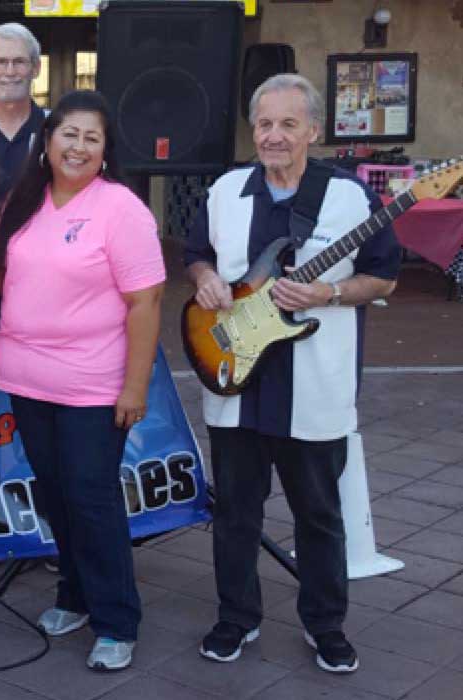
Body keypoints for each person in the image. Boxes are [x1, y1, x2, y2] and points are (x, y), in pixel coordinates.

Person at [184, 74, 400, 674]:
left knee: (320, 515)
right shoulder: (226, 190)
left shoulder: (352, 198)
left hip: (316, 385)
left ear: (313, 129)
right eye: (263, 124)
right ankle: (236, 618)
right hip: (235, 379)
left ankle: (326, 625)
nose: (273, 136)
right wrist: (204, 277)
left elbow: (383, 276)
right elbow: (196, 253)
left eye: (287, 123)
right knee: (235, 514)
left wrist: (329, 291)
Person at [0, 90, 164, 672]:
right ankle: (75, 594)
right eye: (70, 134)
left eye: (93, 138)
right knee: (55, 492)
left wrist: (134, 388)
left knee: (92, 499)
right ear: (48, 140)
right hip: (26, 377)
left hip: (93, 384)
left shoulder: (122, 209)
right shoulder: (24, 199)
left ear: (105, 152)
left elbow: (146, 304)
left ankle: (117, 619)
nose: (79, 147)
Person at [0, 22, 46, 204]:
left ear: (36, 68)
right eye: (1, 62)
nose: (10, 72)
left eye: (19, 62)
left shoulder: (54, 129)